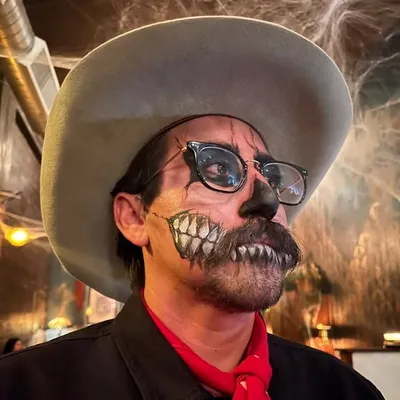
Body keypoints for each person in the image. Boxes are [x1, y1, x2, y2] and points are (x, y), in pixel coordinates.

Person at [0, 16, 384, 400]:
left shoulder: (344, 392)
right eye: (218, 169)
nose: (268, 200)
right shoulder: (24, 388)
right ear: (134, 217)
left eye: (273, 178)